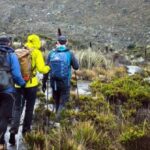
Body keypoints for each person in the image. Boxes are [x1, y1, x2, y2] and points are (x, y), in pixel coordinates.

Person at [9, 34, 50, 145]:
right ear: (37, 42)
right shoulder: (37, 53)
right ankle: (26, 132)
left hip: (18, 86)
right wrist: (48, 68)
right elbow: (42, 69)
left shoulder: (19, 51)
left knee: (17, 109)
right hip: (31, 86)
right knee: (29, 109)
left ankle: (12, 133)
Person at [42, 35, 79, 121]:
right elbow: (76, 67)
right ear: (66, 42)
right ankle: (57, 121)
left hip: (53, 82)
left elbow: (46, 69)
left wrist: (44, 83)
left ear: (57, 43)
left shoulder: (51, 53)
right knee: (63, 103)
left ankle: (56, 118)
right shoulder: (69, 53)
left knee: (57, 101)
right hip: (65, 83)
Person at [0, 36, 25, 149]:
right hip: (8, 91)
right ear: (8, 44)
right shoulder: (11, 55)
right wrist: (22, 84)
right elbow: (16, 74)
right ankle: (1, 142)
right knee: (4, 117)